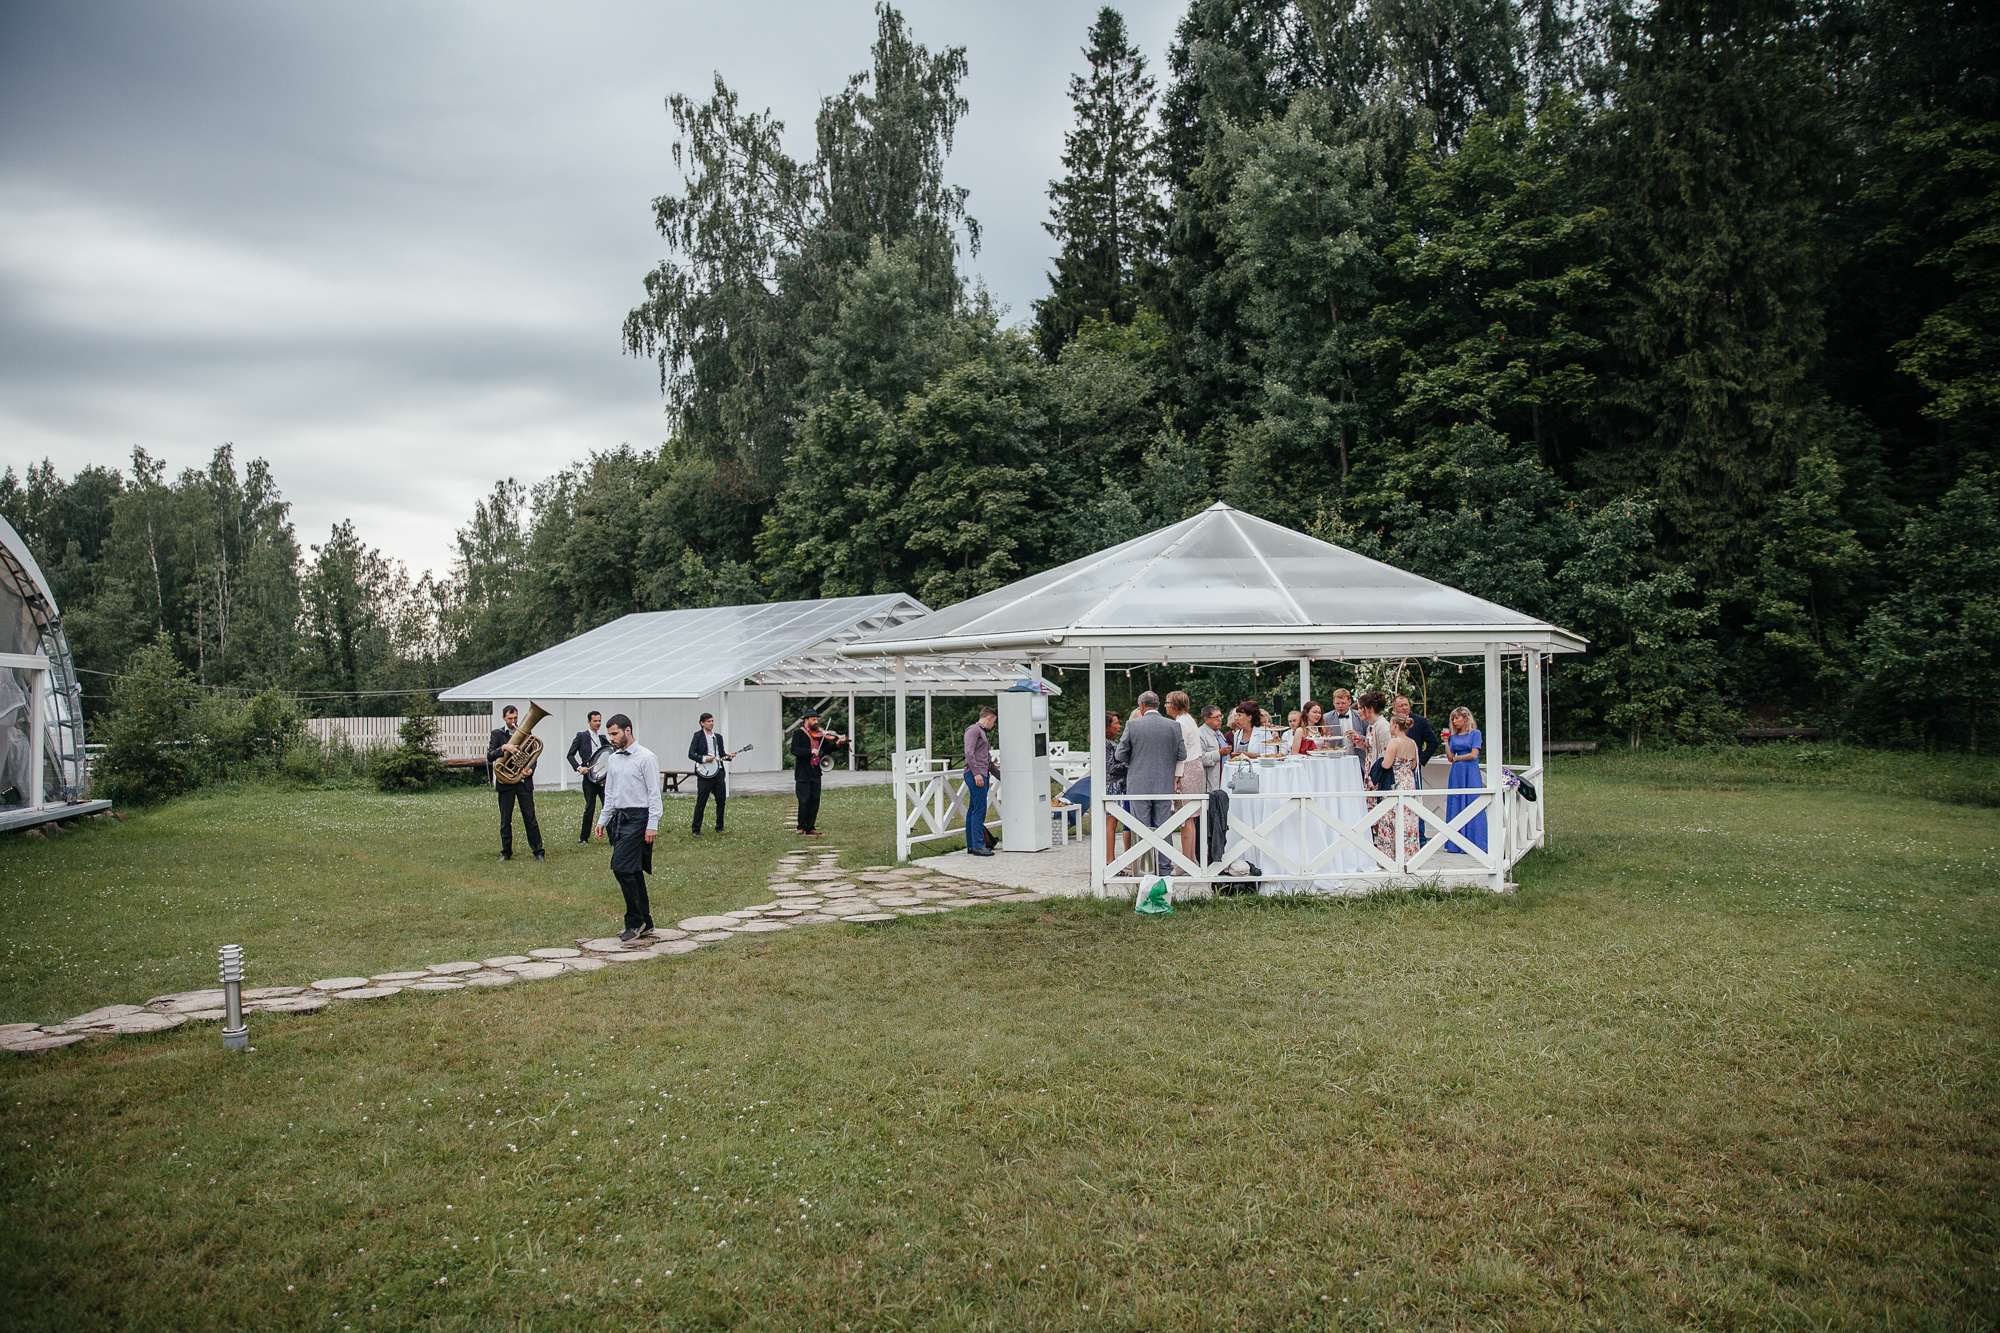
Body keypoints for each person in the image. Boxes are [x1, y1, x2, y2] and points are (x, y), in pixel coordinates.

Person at [592, 713, 661, 942]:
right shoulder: (612, 759)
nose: (611, 738)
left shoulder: (646, 757)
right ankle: (646, 921)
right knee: (632, 870)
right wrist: (603, 819)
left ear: (628, 731)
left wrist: (652, 824)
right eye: (609, 734)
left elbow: (654, 793)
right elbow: (609, 793)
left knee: (620, 867)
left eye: (615, 733)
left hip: (639, 818)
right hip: (619, 819)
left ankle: (634, 921)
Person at [1114, 691, 1186, 876]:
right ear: (1159, 705)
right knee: (1164, 826)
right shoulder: (1174, 726)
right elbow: (1182, 755)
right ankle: (1164, 867)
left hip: (1139, 784)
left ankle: (1144, 868)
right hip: (1164, 784)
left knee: (1140, 825)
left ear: (1141, 706)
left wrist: (1136, 759)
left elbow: (1119, 754)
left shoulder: (1133, 725)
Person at [487, 704, 545, 863]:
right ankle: (506, 852)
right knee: (506, 819)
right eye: (510, 718)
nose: (513, 721)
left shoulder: (527, 733)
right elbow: (490, 756)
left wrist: (529, 769)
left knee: (530, 818)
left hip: (522, 782)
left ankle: (538, 851)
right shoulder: (497, 735)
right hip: (505, 782)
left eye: (515, 718)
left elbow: (533, 754)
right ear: (504, 718)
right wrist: (504, 747)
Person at [1391, 693, 1441, 846]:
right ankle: (1399, 840)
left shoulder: (1419, 721)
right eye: (1401, 706)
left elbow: (1433, 742)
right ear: (1394, 708)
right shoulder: (1390, 723)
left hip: (1412, 771)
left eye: (1407, 705)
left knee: (1416, 804)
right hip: (1393, 772)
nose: (1405, 708)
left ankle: (1421, 840)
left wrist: (1419, 761)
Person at [789, 709, 847, 837]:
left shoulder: (820, 734)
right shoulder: (798, 733)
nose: (816, 722)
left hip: (816, 771)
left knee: (815, 799)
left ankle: (811, 827)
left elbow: (827, 749)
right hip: (803, 772)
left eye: (817, 719)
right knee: (804, 799)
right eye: (814, 719)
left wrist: (838, 743)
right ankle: (801, 826)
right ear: (806, 720)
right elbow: (794, 750)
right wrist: (810, 751)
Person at [1373, 715, 1422, 860]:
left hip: (1395, 781)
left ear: (1395, 725)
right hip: (1408, 780)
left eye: (1390, 724)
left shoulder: (1394, 742)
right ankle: (1409, 853)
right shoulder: (1412, 742)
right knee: (1408, 816)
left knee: (1391, 816)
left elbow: (1387, 764)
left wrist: (1382, 757)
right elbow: (1414, 765)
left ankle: (1390, 855)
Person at [1166, 691, 1204, 863]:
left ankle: (1185, 861)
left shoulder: (1180, 724)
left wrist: (1175, 779)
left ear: (1174, 705)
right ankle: (1192, 858)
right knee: (1191, 816)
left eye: (1167, 703)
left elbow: (1180, 754)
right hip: (1195, 767)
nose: (1165, 706)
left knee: (1185, 817)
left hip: (1186, 769)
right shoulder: (1189, 719)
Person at [1444, 706, 1489, 854]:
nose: (1455, 721)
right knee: (1456, 802)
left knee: (1473, 802)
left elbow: (1473, 755)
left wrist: (1457, 758)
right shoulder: (1454, 737)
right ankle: (1455, 843)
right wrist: (1446, 743)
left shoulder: (1475, 734)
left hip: (1470, 771)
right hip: (1456, 772)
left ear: (1465, 718)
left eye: (1457, 718)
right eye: (1453, 719)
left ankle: (1476, 841)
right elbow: (1450, 758)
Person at [687, 712, 737, 837]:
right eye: (708, 721)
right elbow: (691, 754)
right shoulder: (698, 736)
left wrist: (728, 757)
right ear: (702, 723)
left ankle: (719, 826)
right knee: (701, 801)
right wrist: (705, 759)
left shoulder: (718, 737)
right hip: (704, 773)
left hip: (718, 771)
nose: (711, 723)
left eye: (712, 721)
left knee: (721, 801)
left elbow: (721, 754)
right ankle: (696, 828)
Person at [566, 710, 607, 844]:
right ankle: (584, 838)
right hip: (589, 778)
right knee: (590, 807)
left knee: (607, 806)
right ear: (589, 722)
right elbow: (570, 755)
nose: (597, 723)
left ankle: (613, 837)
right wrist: (579, 767)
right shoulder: (581, 736)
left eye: (599, 721)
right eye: (595, 721)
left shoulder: (602, 738)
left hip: (602, 778)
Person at [962, 705, 999, 856]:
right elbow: (969, 752)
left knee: (973, 810)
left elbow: (988, 761)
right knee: (979, 810)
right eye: (994, 721)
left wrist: (1001, 776)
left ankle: (972, 845)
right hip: (976, 774)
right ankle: (978, 845)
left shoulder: (982, 733)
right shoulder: (974, 730)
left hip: (982, 773)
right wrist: (977, 773)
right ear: (989, 717)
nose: (993, 725)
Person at [1199, 703, 1229, 864]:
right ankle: (1208, 857)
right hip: (1210, 783)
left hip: (1222, 780)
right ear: (1206, 719)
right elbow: (1201, 758)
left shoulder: (1220, 734)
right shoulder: (1201, 734)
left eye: (1220, 716)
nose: (1219, 720)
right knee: (1209, 822)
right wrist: (1219, 753)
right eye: (1216, 717)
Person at [1349, 691, 1392, 789]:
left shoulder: (1382, 725)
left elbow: (1386, 752)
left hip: (1379, 773)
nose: (1358, 711)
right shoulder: (1371, 726)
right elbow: (1372, 750)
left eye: (1360, 708)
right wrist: (1362, 744)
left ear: (1370, 709)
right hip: (1371, 770)